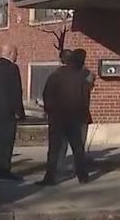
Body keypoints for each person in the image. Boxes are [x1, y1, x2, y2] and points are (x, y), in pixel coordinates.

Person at [38, 49, 90, 186]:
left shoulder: (55, 76)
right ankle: (83, 176)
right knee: (78, 147)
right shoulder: (79, 76)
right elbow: (84, 97)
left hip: (57, 117)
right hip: (73, 116)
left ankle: (50, 177)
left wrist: (49, 110)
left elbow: (47, 95)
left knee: (54, 148)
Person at [0, 44, 27, 182]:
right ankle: (4, 170)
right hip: (8, 113)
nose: (17, 56)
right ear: (10, 53)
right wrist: (20, 112)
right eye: (16, 53)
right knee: (7, 143)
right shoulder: (12, 69)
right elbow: (16, 92)